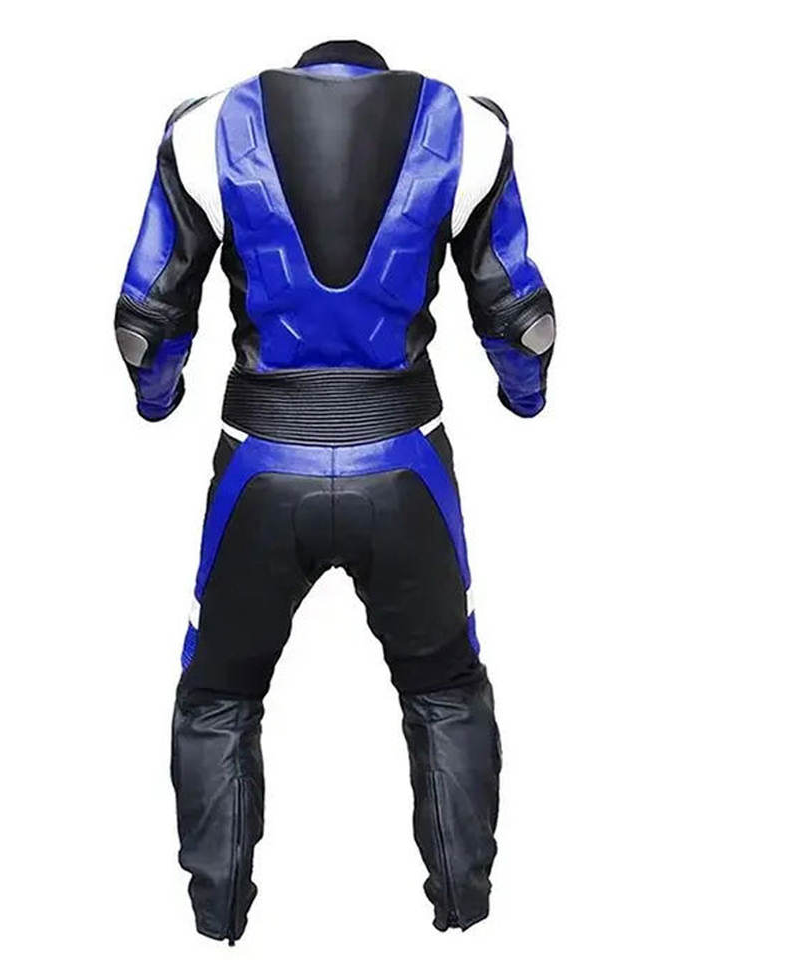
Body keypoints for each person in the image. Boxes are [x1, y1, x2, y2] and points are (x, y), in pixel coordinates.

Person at [114, 39, 554, 942]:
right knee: (445, 690)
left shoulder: (205, 128)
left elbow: (145, 317)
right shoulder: (467, 129)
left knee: (219, 696)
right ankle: (466, 912)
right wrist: (526, 396)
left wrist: (158, 400)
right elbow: (521, 317)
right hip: (405, 462)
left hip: (260, 464)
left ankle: (217, 922)